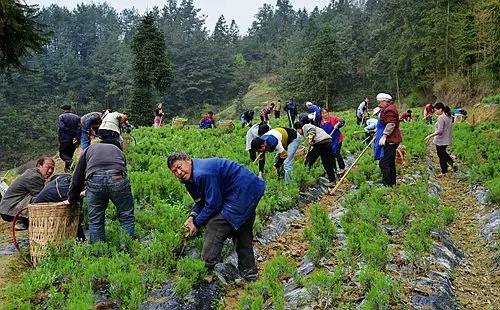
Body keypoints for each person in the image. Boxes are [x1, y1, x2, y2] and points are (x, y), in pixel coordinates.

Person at [168, 152, 265, 281]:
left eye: (179, 167)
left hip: (243, 191)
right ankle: (250, 273)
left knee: (216, 224)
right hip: (242, 191)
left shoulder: (203, 173)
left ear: (188, 160)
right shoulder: (189, 178)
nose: (178, 172)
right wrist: (192, 217)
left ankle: (205, 269)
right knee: (241, 229)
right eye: (174, 171)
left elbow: (213, 204)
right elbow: (200, 202)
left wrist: (197, 224)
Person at [68, 139, 135, 243]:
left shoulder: (89, 149)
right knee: (126, 216)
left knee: (95, 220)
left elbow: (77, 177)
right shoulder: (118, 151)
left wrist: (72, 198)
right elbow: (123, 171)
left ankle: (98, 253)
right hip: (117, 177)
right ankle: (126, 249)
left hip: (95, 178)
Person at [0, 157, 55, 230]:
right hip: (9, 210)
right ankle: (21, 220)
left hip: (7, 208)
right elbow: (42, 196)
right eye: (47, 167)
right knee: (37, 199)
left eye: (52, 168)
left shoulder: (33, 173)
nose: (50, 171)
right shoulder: (34, 177)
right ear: (39, 166)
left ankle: (23, 221)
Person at [32, 174, 86, 240]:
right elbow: (74, 209)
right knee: (73, 217)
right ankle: (80, 241)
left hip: (51, 207)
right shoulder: (64, 189)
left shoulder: (67, 180)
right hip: (42, 212)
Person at [377, 93, 402, 187]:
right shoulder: (390, 108)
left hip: (392, 140)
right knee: (390, 161)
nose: (379, 104)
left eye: (380, 102)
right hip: (393, 139)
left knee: (384, 162)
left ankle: (387, 183)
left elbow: (391, 124)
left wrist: (384, 135)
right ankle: (392, 182)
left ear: (384, 101)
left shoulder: (389, 110)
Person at [425, 102, 457, 175]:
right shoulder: (449, 116)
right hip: (447, 139)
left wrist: (430, 136)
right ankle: (452, 163)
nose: (435, 112)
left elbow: (439, 131)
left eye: (436, 110)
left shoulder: (441, 118)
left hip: (440, 140)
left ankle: (444, 171)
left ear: (441, 109)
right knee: (443, 153)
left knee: (441, 156)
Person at [319, 108, 346, 174]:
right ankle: (334, 168)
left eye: (325, 113)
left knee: (336, 153)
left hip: (337, 139)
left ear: (328, 113)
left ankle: (342, 168)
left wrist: (338, 124)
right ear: (321, 114)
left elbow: (342, 121)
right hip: (329, 141)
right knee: (331, 154)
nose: (324, 114)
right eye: (323, 113)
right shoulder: (321, 122)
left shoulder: (333, 118)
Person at [58, 104, 81, 172]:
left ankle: (72, 165)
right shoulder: (77, 117)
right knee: (70, 154)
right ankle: (68, 170)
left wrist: (69, 132)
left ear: (63, 109)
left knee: (63, 154)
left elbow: (62, 127)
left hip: (64, 138)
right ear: (70, 109)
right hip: (73, 139)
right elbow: (79, 129)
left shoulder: (61, 117)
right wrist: (76, 137)